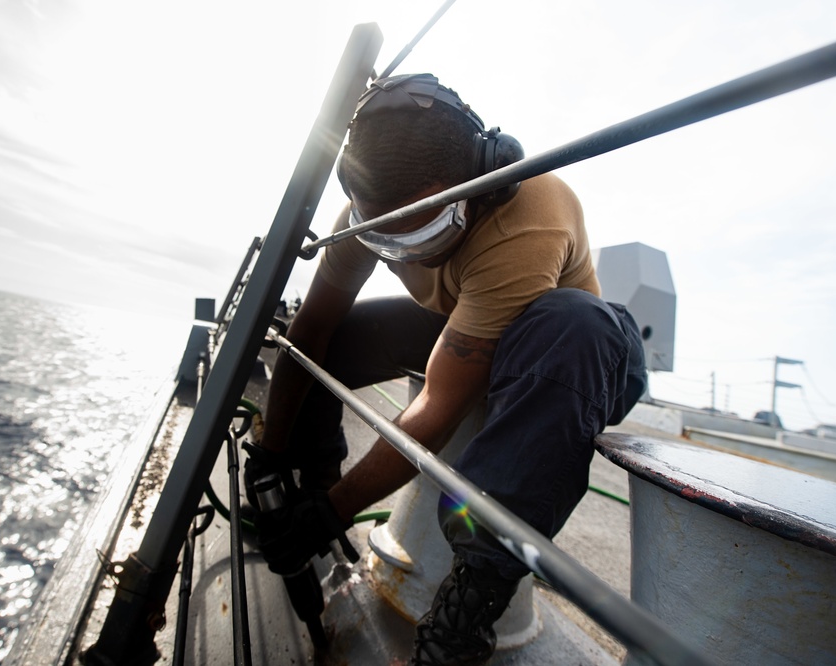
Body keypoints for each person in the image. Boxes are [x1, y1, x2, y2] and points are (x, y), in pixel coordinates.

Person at [248, 73, 647, 666]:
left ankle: (471, 603)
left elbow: (439, 404)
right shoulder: (370, 209)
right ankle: (309, 478)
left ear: (479, 183)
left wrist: (337, 509)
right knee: (327, 347)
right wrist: (274, 451)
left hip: (577, 357)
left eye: (428, 232)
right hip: (474, 321)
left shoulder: (528, 212)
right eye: (390, 244)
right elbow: (311, 330)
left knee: (572, 325)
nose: (414, 255)